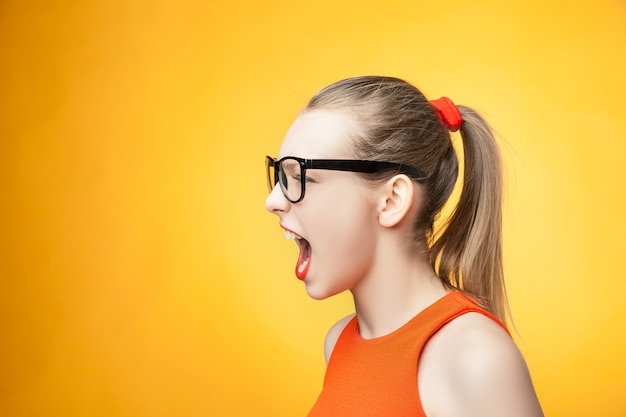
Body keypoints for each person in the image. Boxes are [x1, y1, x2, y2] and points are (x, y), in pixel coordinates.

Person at [264, 76, 544, 417]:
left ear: (391, 200)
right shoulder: (338, 342)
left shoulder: (474, 357)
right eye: (279, 176)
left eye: (301, 178)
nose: (273, 200)